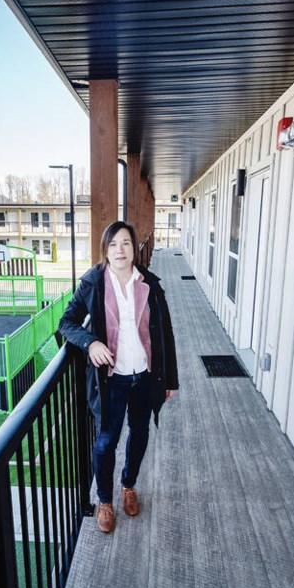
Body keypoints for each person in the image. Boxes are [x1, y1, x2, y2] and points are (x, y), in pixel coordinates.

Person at [59, 221, 179, 534]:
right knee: (105, 442)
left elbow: (164, 334)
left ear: (134, 248)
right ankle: (104, 501)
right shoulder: (94, 282)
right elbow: (67, 323)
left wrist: (169, 380)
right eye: (113, 244)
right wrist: (91, 342)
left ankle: (128, 486)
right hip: (111, 379)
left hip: (144, 375)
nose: (120, 250)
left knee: (140, 432)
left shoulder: (149, 283)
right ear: (105, 250)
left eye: (125, 243)